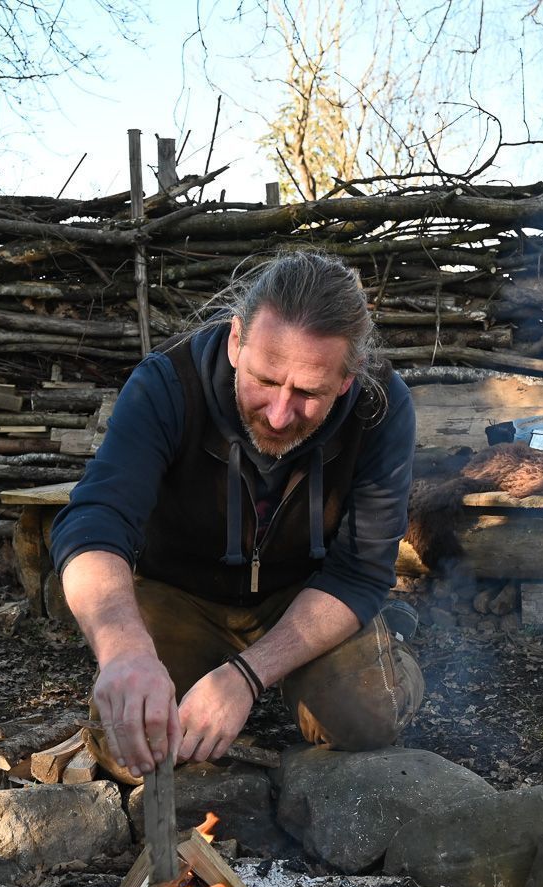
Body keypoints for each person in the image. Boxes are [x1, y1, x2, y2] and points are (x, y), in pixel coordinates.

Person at [50, 251, 424, 781]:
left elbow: (360, 572)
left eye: (308, 393)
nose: (278, 414)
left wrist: (247, 676)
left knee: (367, 720)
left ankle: (389, 646)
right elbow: (94, 522)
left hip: (304, 596)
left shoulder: (378, 409)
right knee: (129, 746)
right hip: (179, 591)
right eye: (266, 380)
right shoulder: (167, 384)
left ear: (347, 379)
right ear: (235, 340)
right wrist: (126, 653)